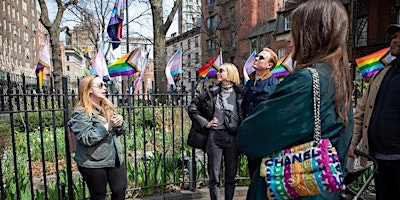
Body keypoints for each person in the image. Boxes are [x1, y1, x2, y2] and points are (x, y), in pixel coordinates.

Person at [236, 0, 353, 199]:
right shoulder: (338, 78)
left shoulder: (306, 80)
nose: (289, 39)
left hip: (290, 190)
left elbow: (249, 138)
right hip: (321, 189)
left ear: (311, 34)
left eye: (295, 31)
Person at [348, 24, 400, 199]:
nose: (395, 40)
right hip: (380, 160)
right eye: (394, 36)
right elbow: (361, 111)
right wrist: (353, 142)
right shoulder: (382, 74)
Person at [188, 63, 246, 200]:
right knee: (214, 176)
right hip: (215, 137)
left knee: (231, 176)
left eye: (221, 71)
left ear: (230, 73)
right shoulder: (211, 93)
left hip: (233, 137)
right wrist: (205, 123)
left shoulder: (242, 93)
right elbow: (192, 107)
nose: (217, 73)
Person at [67, 74, 127, 200]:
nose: (104, 88)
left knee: (120, 190)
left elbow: (121, 131)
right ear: (88, 89)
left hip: (113, 158)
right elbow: (87, 138)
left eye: (104, 85)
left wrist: (120, 124)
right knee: (99, 195)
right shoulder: (81, 112)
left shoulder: (107, 107)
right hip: (93, 163)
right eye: (100, 86)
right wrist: (109, 125)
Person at [242, 48, 280, 181]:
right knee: (252, 170)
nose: (257, 58)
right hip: (250, 134)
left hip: (265, 135)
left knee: (265, 173)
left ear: (269, 65)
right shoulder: (249, 82)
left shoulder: (274, 84)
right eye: (257, 56)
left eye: (261, 57)